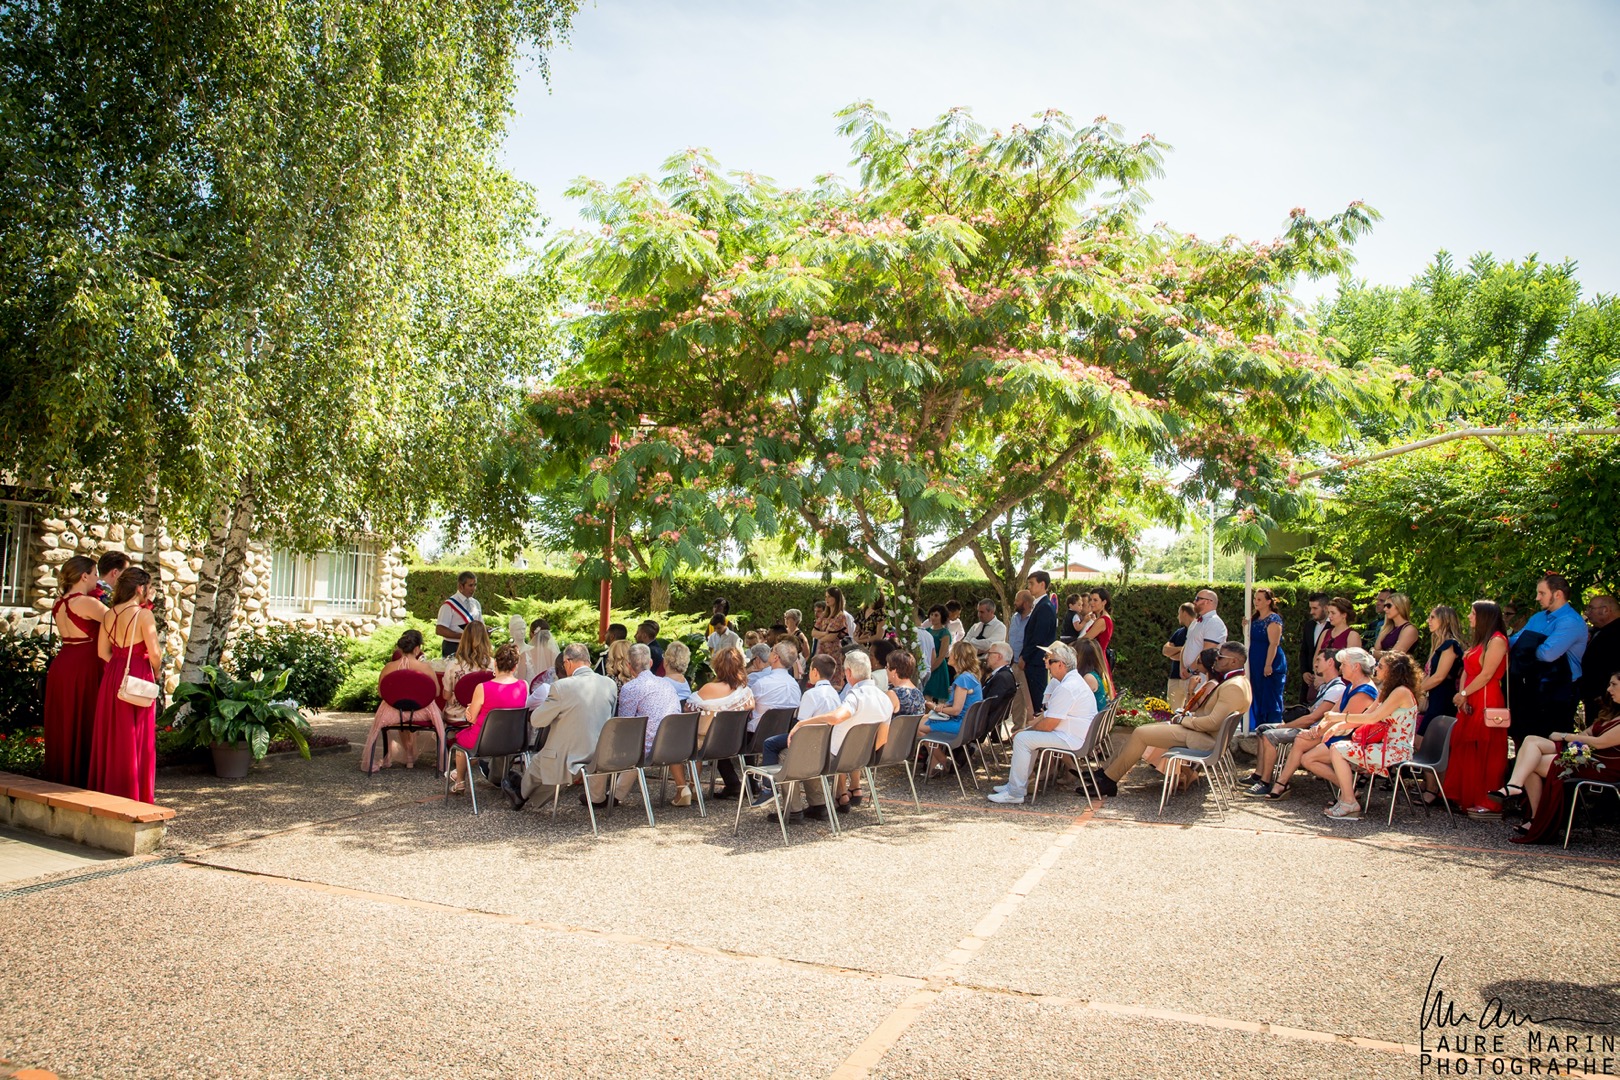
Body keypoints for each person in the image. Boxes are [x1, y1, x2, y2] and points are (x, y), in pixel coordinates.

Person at [1094, 641, 1251, 797]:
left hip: (1206, 741)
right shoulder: (1237, 682)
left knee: (1141, 733)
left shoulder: (1233, 686)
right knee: (1141, 731)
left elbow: (1212, 723)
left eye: (1220, 657)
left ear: (1234, 661)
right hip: (1202, 734)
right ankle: (1105, 773)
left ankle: (1108, 779)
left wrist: (1182, 721)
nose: (1216, 660)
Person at [770, 650, 893, 818]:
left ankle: (793, 810)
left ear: (848, 672)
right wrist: (862, 755)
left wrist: (803, 722)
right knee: (811, 753)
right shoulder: (885, 699)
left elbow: (836, 717)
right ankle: (818, 804)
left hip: (836, 758)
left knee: (789, 755)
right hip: (862, 759)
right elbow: (882, 739)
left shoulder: (855, 696)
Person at [1500, 672, 1620, 843]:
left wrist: (1565, 736)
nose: (1609, 689)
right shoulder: (1612, 714)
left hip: (1602, 766)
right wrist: (1573, 741)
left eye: (1614, 685)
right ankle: (1523, 798)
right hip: (1585, 755)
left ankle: (1533, 815)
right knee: (1530, 741)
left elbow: (1599, 743)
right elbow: (1587, 733)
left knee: (1529, 762)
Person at [502, 643, 619, 811]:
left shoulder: (562, 687)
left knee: (538, 762)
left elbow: (536, 720)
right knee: (547, 762)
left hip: (569, 756)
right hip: (599, 753)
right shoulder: (609, 684)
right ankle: (528, 797)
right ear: (588, 661)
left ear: (568, 662)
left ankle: (521, 795)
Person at [1307, 651, 1421, 820]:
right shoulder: (1386, 691)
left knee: (1337, 749)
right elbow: (1366, 716)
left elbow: (1372, 718)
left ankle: (1349, 801)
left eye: (1381, 666)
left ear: (1393, 671)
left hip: (1396, 749)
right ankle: (1348, 799)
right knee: (1337, 748)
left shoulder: (1401, 692)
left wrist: (1340, 718)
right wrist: (1338, 726)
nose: (1376, 669)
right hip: (1383, 746)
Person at [1254, 648, 1379, 801]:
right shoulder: (1352, 686)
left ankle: (1348, 790)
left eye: (1343, 665)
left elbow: (1342, 720)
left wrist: (1316, 732)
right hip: (1338, 732)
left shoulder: (1364, 691)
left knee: (1307, 756)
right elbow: (1331, 714)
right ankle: (1281, 783)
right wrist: (1316, 730)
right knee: (1301, 740)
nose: (1340, 668)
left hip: (1349, 737)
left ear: (1356, 667)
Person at [987, 642, 1099, 805]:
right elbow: (1049, 714)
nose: (1047, 665)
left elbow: (1049, 725)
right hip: (1075, 735)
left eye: (1051, 661)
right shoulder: (1072, 682)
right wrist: (1027, 729)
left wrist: (1026, 730)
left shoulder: (1068, 686)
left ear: (1061, 664)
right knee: (1027, 737)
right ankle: (1017, 785)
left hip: (1072, 739)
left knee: (1023, 739)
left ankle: (1015, 792)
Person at [87, 567, 160, 803]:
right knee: (135, 733)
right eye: (148, 587)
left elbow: (102, 652)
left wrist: (118, 666)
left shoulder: (108, 614)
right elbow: (155, 654)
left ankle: (109, 789)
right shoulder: (143, 615)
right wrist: (155, 672)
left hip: (114, 675)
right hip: (137, 673)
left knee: (113, 732)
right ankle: (133, 793)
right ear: (140, 588)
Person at [1242, 648, 1348, 793]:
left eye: (1318, 660)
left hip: (1314, 731)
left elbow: (1313, 718)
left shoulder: (1336, 689)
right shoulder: (1326, 686)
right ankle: (1258, 774)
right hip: (1310, 726)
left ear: (1330, 662)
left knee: (1269, 735)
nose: (1315, 664)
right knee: (1262, 728)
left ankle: (1265, 782)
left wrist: (1283, 726)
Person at [42, 556, 108, 787]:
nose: (98, 579)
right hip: (85, 665)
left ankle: (61, 774)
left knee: (65, 719)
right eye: (95, 573)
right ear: (84, 576)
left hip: (64, 662)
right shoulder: (87, 603)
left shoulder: (59, 602)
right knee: (85, 716)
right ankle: (82, 777)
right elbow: (119, 623)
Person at [1446, 600, 1511, 814]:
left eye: (1473, 613)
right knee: (1467, 747)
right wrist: (1463, 695)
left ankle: (1488, 800)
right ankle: (1468, 796)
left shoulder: (1497, 640)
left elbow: (1486, 674)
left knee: (1486, 749)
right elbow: (1467, 669)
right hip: (1471, 696)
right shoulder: (1479, 641)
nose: (1469, 617)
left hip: (1486, 697)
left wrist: (1464, 693)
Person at [1509, 574, 1589, 742]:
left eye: (1542, 593)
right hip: (1533, 687)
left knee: (1552, 741)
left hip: (1560, 692)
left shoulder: (1571, 621)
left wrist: (1526, 649)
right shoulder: (1538, 617)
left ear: (1557, 594)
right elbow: (1514, 641)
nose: (1537, 597)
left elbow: (1548, 653)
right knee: (1526, 736)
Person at [361, 629, 446, 772]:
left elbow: (381, 693)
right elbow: (436, 692)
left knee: (393, 713)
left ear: (400, 648)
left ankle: (407, 756)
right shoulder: (425, 668)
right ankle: (417, 758)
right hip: (421, 711)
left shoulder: (389, 667)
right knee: (429, 713)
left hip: (394, 711)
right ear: (418, 648)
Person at [447, 643, 527, 794]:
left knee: (460, 745)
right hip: (513, 740)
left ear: (495, 663)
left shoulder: (483, 687)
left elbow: (471, 719)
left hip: (485, 741)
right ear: (515, 667)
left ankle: (460, 781)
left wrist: (469, 710)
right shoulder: (524, 685)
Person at [606, 642, 682, 802]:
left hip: (647, 750)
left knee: (615, 742)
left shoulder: (631, 688)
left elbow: (625, 725)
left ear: (628, 665)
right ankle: (614, 795)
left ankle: (603, 795)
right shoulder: (667, 684)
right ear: (651, 663)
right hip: (676, 745)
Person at [688, 645, 755, 799]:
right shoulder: (745, 691)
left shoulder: (708, 688)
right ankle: (733, 784)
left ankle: (692, 787)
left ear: (717, 666)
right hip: (736, 741)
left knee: (695, 738)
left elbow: (689, 708)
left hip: (709, 744)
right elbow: (751, 706)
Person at [919, 640, 984, 774]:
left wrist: (936, 708)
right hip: (968, 724)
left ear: (958, 657)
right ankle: (934, 767)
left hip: (960, 725)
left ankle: (944, 761)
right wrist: (942, 706)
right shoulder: (971, 677)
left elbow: (956, 710)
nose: (949, 654)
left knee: (917, 728)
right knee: (923, 720)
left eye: (952, 652)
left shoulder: (963, 679)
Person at [1417, 605, 1465, 740]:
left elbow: (1439, 677)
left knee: (1424, 739)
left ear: (1445, 620)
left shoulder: (1450, 645)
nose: (1428, 621)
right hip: (1434, 696)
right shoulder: (1440, 644)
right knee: (1421, 739)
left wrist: (1415, 690)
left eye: (1432, 617)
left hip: (1443, 697)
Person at [1247, 587, 1287, 732]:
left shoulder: (1273, 619)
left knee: (1270, 694)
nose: (1255, 602)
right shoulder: (1254, 618)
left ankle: (1271, 726)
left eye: (1259, 599)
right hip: (1255, 659)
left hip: (1269, 659)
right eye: (1255, 599)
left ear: (1268, 602)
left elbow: (1274, 643)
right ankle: (1256, 724)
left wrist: (1268, 664)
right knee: (1256, 691)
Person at [441, 622, 495, 725]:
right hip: (486, 717)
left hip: (458, 716)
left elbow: (446, 696)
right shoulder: (494, 665)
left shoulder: (453, 665)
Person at [1020, 571, 1059, 710]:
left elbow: (1038, 637)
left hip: (1037, 661)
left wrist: (1025, 656)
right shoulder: (1041, 605)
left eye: (1032, 583)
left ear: (1042, 584)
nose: (1029, 587)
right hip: (1034, 661)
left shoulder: (1045, 607)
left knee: (1037, 699)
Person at [1580, 595, 1619, 724]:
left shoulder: (1616, 632)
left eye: (1591, 608)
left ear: (1605, 610)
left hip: (1608, 700)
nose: (1587, 613)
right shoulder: (1598, 631)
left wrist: (1604, 694)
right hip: (1592, 698)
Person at [747, 642, 803, 730]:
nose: (769, 653)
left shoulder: (761, 684)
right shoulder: (795, 686)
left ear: (775, 657)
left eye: (771, 650)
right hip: (783, 735)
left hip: (756, 735)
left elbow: (746, 706)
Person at [1181, 588, 1228, 686]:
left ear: (1208, 602)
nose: (1194, 602)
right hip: (1189, 675)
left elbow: (1207, 651)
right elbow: (1186, 646)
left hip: (1201, 676)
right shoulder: (1195, 622)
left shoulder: (1214, 623)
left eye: (1197, 599)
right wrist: (1182, 668)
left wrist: (1190, 670)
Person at [434, 571, 482, 658]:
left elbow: (480, 624)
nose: (473, 588)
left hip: (472, 647)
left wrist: (485, 631)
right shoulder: (449, 605)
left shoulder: (476, 604)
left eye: (475, 585)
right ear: (460, 586)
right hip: (453, 646)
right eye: (470, 585)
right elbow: (440, 629)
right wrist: (463, 636)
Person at [1007, 589, 1035, 726]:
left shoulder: (1034, 619)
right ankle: (1017, 729)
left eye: (1017, 600)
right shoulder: (1014, 617)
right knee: (1017, 699)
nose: (1015, 603)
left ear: (1025, 602)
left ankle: (1031, 729)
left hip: (1026, 664)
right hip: (1013, 663)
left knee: (1028, 699)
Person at [815, 587, 852, 683]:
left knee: (833, 680)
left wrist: (821, 636)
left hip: (833, 652)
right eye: (826, 597)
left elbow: (831, 637)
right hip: (822, 650)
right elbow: (814, 632)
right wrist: (824, 633)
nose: (826, 599)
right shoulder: (824, 615)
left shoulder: (840, 616)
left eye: (829, 597)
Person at [1162, 602, 1196, 708]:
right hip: (1175, 678)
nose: (1177, 617)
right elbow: (1165, 650)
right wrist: (1184, 649)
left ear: (1184, 613)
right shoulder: (1179, 632)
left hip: (1191, 678)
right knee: (1172, 711)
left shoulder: (1198, 631)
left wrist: (1178, 654)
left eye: (1179, 613)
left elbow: (1197, 653)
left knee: (1190, 711)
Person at [1298, 593, 1330, 698]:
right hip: (1309, 678)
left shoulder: (1333, 627)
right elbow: (1304, 651)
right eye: (1311, 608)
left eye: (1315, 608)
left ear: (1326, 608)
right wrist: (1305, 672)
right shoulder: (1309, 625)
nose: (1311, 612)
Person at [918, 605, 952, 701]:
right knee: (925, 695)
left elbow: (941, 656)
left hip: (938, 667)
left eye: (936, 615)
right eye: (931, 614)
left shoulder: (945, 633)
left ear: (942, 617)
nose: (933, 617)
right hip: (926, 665)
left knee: (933, 696)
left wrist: (930, 669)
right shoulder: (927, 631)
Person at [1373, 593, 1420, 659]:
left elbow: (1393, 656)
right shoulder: (1387, 628)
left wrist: (1373, 652)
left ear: (1399, 606)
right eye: (1384, 606)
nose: (1385, 609)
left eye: (1388, 606)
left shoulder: (1409, 629)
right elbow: (1376, 648)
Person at [885, 649, 926, 717]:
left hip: (894, 727)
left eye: (887, 667)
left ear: (894, 671)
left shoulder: (892, 694)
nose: (886, 670)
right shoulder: (919, 694)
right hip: (913, 728)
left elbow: (881, 719)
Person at [1081, 587, 1114, 665]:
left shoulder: (1102, 620)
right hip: (1097, 658)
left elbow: (1085, 640)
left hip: (1097, 660)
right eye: (1090, 600)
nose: (1091, 603)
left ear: (1104, 602)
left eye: (1095, 600)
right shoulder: (1100, 618)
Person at [523, 619, 559, 690]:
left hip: (530, 698)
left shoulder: (524, 655)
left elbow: (521, 681)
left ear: (532, 634)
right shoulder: (555, 655)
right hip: (550, 697)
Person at [981, 642, 1017, 707]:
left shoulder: (1002, 678)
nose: (986, 657)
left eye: (989, 654)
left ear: (999, 657)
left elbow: (989, 705)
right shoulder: (1004, 674)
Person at [782, 609, 811, 676]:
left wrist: (799, 665)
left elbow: (807, 654)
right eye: (785, 617)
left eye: (788, 617)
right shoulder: (784, 632)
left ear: (795, 620)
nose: (786, 619)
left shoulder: (800, 635)